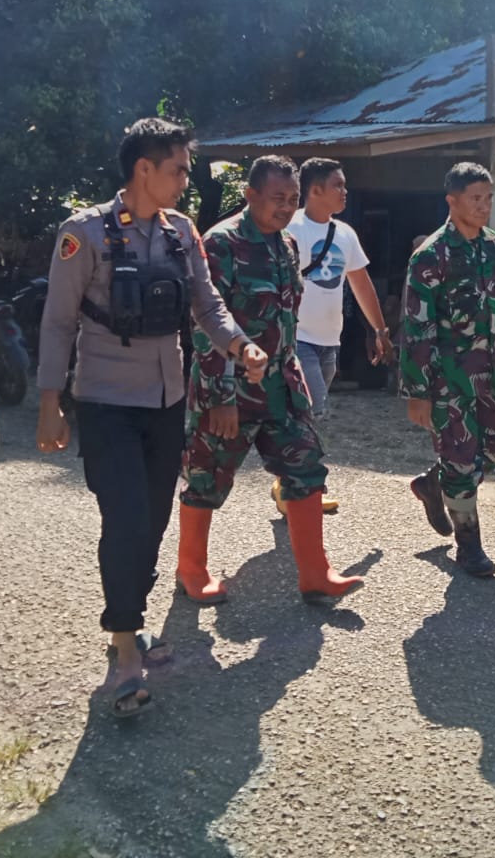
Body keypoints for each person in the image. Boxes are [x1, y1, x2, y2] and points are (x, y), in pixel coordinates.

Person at [35, 117, 267, 719]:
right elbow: (59, 323)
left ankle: (129, 622)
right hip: (107, 401)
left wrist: (240, 345)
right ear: (144, 169)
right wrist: (50, 403)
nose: (186, 180)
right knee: (127, 519)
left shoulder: (180, 233)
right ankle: (123, 646)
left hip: (167, 401)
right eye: (178, 169)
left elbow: (207, 304)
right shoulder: (81, 234)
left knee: (155, 521)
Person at [177, 155, 363, 607]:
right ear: (251, 195)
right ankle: (192, 569)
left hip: (281, 387)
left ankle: (315, 574)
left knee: (305, 468)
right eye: (277, 198)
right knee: (208, 478)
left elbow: (286, 317)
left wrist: (292, 376)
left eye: (292, 199)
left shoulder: (287, 246)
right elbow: (205, 324)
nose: (285, 207)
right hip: (229, 391)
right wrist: (220, 396)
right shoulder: (220, 244)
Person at [400, 162, 495, 577]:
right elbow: (416, 327)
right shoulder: (430, 258)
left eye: (488, 198)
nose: (484, 207)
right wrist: (417, 391)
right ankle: (469, 546)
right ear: (452, 201)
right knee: (462, 459)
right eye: (475, 199)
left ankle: (433, 484)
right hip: (450, 379)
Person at [276, 157, 393, 514]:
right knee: (315, 411)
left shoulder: (345, 234)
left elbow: (360, 283)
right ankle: (308, 488)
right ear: (314, 191)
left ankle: (286, 480)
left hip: (331, 341)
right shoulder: (289, 229)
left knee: (303, 416)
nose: (345, 192)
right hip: (298, 339)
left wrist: (380, 330)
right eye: (338, 186)